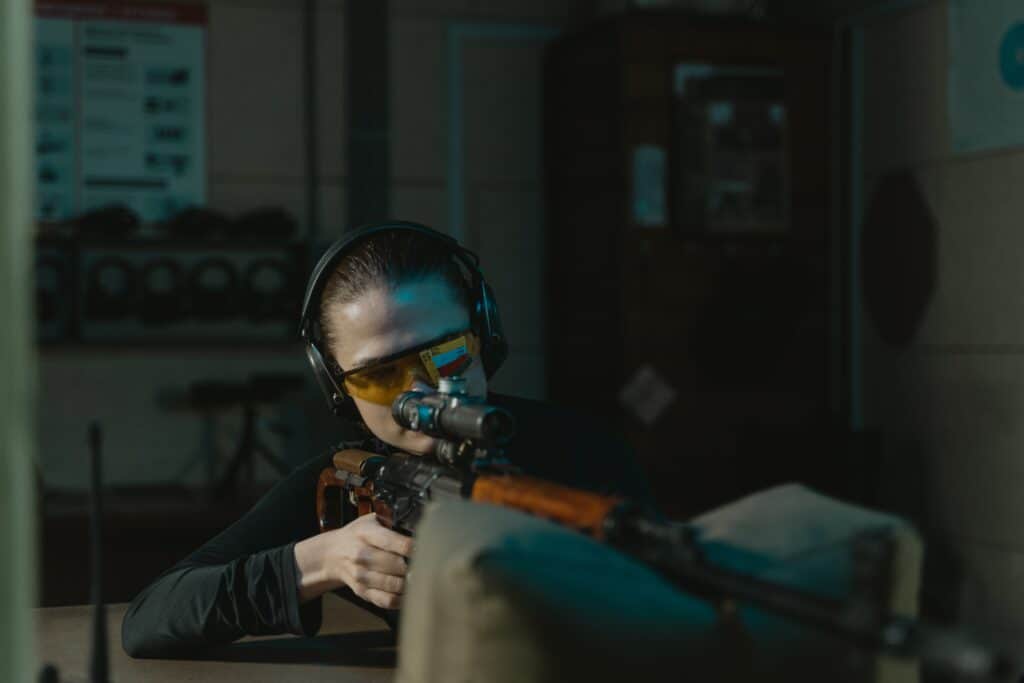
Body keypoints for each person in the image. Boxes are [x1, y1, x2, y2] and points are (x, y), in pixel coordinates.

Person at [121, 221, 653, 658]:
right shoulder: (354, 476)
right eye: (381, 376)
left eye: (447, 354)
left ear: (484, 336)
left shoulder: (578, 450)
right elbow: (151, 617)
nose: (423, 391)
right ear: (339, 390)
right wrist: (326, 558)